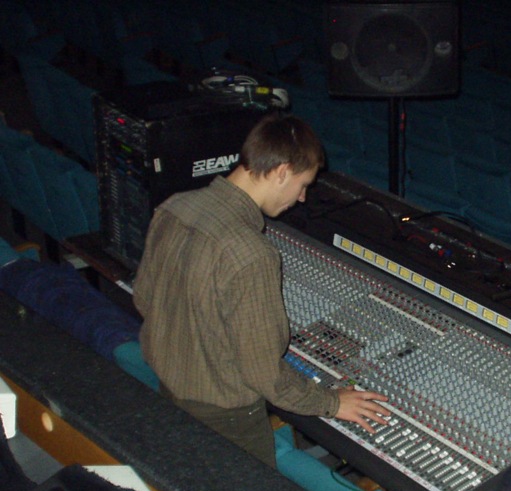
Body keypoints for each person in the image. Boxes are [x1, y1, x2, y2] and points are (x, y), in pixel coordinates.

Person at [133, 113, 389, 467]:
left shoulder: (174, 206)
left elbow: (144, 298)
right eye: (302, 184)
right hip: (227, 419)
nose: (302, 197)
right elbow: (264, 375)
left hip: (168, 390)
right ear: (281, 172)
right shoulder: (252, 255)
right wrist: (332, 403)